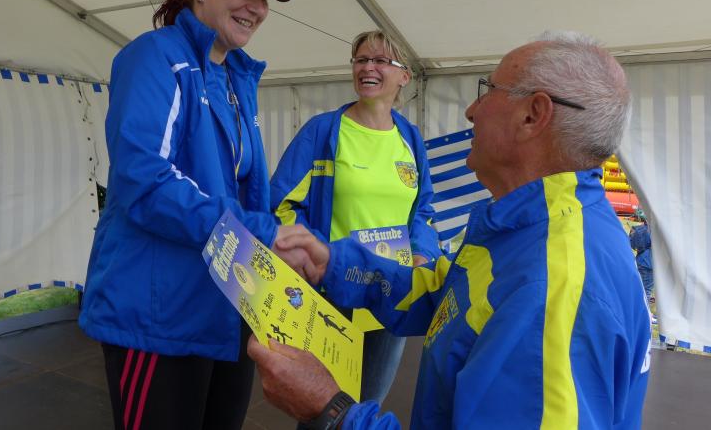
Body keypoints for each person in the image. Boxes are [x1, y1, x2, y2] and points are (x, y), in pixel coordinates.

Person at [258, 31, 652, 429]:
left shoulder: (552, 291)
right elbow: (447, 292)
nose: (471, 110)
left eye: (488, 90)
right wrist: (335, 265)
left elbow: (422, 214)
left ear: (533, 115)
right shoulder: (529, 226)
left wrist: (333, 410)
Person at [78, 0, 298, 430]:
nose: (257, 7)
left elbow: (242, 190)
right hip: (160, 315)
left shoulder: (237, 78)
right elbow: (146, 182)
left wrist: (275, 248)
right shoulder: (155, 57)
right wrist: (262, 232)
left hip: (228, 306)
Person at [270, 30, 442, 404]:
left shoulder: (410, 139)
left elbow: (422, 211)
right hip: (333, 290)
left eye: (380, 60)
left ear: (404, 76)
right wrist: (319, 254)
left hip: (390, 289)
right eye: (361, 60)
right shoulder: (323, 132)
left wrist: (422, 254)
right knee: (321, 408)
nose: (367, 68)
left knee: (367, 405)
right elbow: (281, 205)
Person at [630, 208, 654, 302]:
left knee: (642, 289)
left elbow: (632, 245)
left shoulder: (638, 230)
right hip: (654, 262)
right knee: (646, 290)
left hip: (643, 261)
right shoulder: (660, 231)